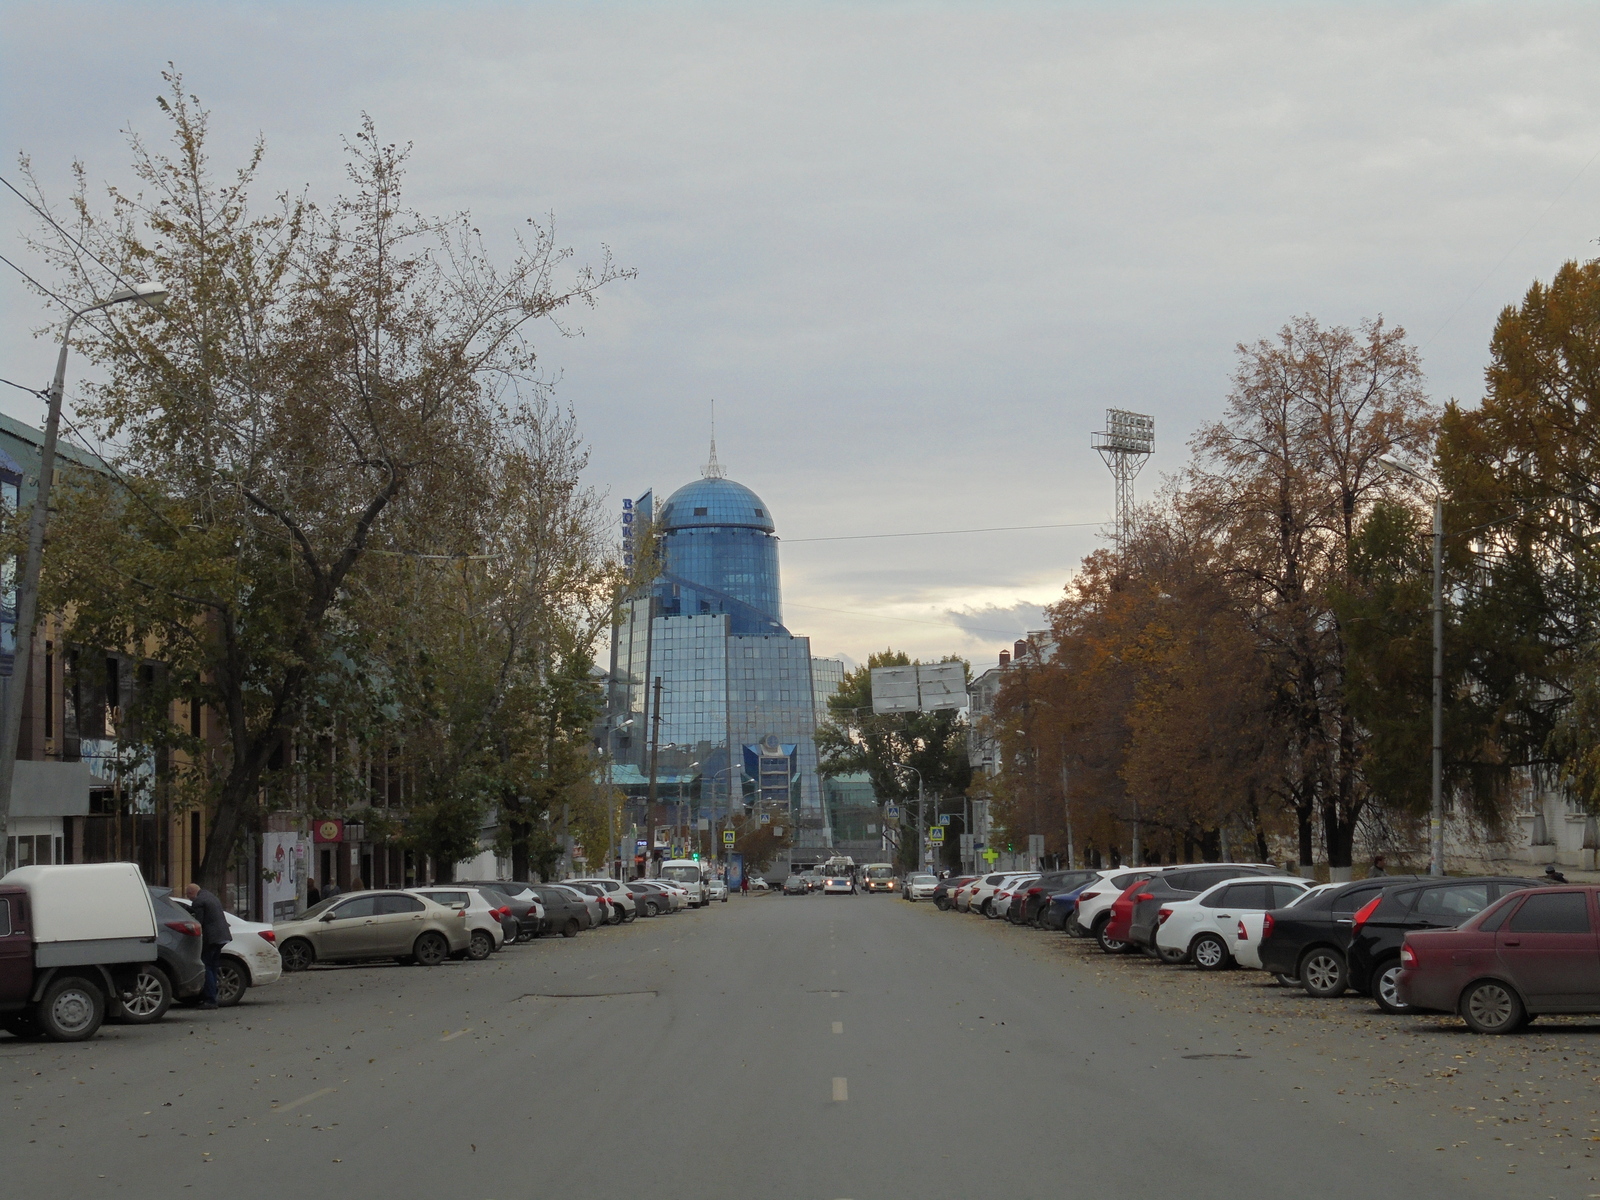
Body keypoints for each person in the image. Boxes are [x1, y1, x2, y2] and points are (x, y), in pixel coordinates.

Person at [184, 882, 232, 1010]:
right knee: (213, 966)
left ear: (191, 893)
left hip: (211, 939)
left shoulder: (198, 901)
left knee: (207, 967)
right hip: (222, 936)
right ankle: (213, 996)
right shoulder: (210, 896)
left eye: (188, 896)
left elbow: (198, 923)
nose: (189, 899)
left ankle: (210, 999)